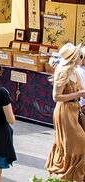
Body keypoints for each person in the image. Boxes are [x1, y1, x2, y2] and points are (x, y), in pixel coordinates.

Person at [46, 42, 85, 180]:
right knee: (79, 145)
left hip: (75, 110)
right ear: (74, 58)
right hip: (65, 111)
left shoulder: (75, 71)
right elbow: (55, 97)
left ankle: (74, 176)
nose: (82, 58)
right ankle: (69, 175)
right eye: (80, 56)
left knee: (75, 145)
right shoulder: (63, 72)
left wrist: (80, 94)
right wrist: (78, 95)